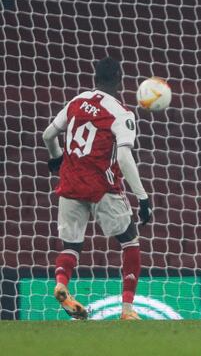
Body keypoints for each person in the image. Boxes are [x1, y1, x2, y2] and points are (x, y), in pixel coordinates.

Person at [42, 56, 151, 320]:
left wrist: (56, 157)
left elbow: (48, 134)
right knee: (129, 241)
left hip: (69, 183)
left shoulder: (76, 101)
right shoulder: (121, 112)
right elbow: (124, 158)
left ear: (95, 78)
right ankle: (127, 309)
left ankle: (61, 284)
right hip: (102, 187)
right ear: (119, 79)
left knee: (71, 246)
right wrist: (143, 197)